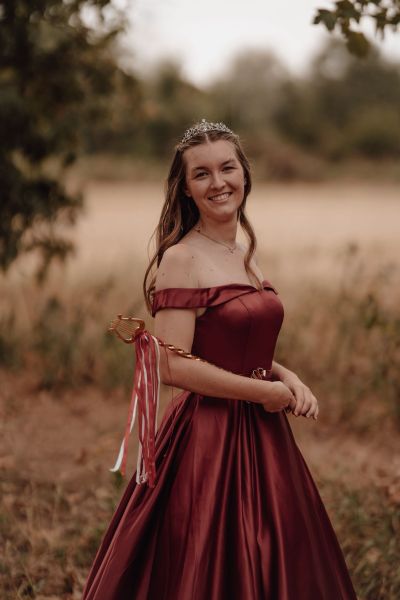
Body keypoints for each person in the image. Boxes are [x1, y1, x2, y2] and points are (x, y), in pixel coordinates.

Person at [82, 119, 357, 599]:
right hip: (208, 437)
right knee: (206, 558)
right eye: (201, 174)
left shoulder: (243, 252)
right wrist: (264, 392)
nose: (218, 182)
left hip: (264, 430)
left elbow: (239, 345)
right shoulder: (181, 258)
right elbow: (171, 365)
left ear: (244, 174)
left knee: (277, 554)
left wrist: (290, 378)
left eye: (227, 168)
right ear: (186, 188)